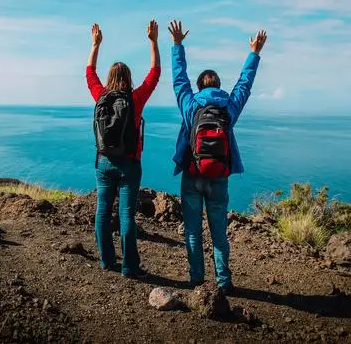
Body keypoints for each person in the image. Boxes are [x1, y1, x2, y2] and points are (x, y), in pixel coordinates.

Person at [168, 20, 267, 292]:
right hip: (219, 177)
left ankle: (196, 279)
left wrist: (177, 45)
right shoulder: (229, 108)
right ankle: (223, 282)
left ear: (198, 87)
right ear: (220, 86)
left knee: (192, 231)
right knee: (219, 235)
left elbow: (179, 79)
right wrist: (254, 53)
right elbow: (244, 84)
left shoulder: (190, 105)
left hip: (192, 173)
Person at [86, 20, 161, 278]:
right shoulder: (136, 99)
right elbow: (155, 73)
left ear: (110, 79)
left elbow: (89, 74)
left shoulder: (101, 96)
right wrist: (153, 41)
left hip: (104, 161)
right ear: (129, 79)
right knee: (126, 215)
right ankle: (130, 267)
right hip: (130, 163)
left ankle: (107, 261)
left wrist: (95, 45)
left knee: (102, 212)